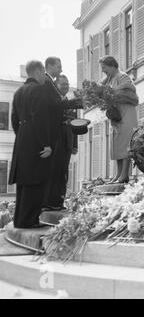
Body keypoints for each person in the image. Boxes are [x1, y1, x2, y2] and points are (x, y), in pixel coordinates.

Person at [9, 61, 52, 228]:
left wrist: (22, 136)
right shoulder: (38, 90)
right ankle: (30, 220)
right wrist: (46, 144)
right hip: (35, 139)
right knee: (36, 181)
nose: (44, 77)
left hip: (22, 138)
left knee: (24, 183)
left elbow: (14, 120)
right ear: (38, 71)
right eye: (43, 73)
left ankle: (20, 220)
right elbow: (40, 119)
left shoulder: (19, 92)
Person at [42, 57, 82, 210]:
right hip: (56, 140)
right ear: (56, 85)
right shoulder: (56, 101)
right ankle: (51, 201)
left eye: (67, 84)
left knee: (64, 172)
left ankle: (60, 200)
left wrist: (74, 144)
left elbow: (76, 125)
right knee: (54, 171)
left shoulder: (71, 104)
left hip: (68, 141)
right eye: (62, 84)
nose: (65, 87)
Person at [100, 55, 139, 183]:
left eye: (104, 67)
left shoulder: (123, 76)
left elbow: (129, 93)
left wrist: (110, 95)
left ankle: (124, 175)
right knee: (116, 144)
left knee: (125, 143)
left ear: (112, 66)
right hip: (117, 115)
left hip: (126, 114)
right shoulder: (110, 79)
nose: (103, 71)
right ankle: (118, 174)